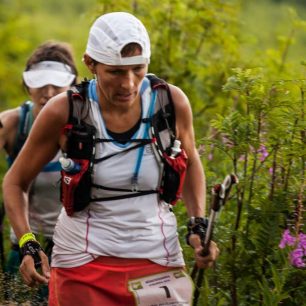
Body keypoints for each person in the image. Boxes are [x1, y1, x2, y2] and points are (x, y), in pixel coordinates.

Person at [3, 12, 219, 306]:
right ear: (90, 63)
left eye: (138, 69)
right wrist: (28, 244)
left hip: (157, 257)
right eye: (116, 72)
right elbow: (16, 182)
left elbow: (191, 161)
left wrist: (197, 224)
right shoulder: (65, 110)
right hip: (81, 263)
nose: (128, 84)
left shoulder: (170, 102)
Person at [0, 41, 78, 303]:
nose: (48, 92)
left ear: (72, 85)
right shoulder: (13, 123)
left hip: (73, 255)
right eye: (40, 84)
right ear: (27, 85)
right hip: (24, 252)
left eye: (57, 85)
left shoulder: (85, 126)